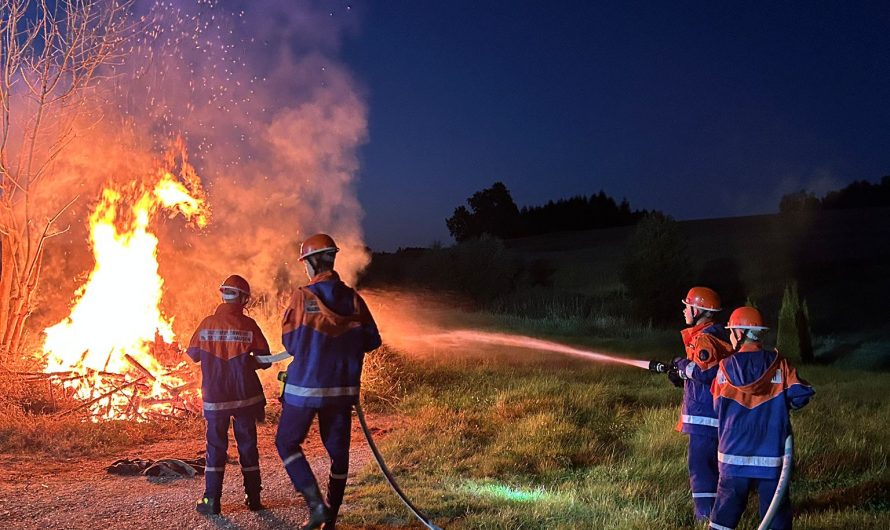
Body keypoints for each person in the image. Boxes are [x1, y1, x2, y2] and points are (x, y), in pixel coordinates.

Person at [276, 233, 382, 530]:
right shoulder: (353, 299)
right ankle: (331, 520)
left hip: (303, 391)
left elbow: (291, 343)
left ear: (311, 262)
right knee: (339, 456)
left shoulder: (302, 297)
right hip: (341, 392)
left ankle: (315, 505)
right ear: (331, 259)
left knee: (286, 442)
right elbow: (372, 341)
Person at [709, 306, 814, 530]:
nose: (729, 335)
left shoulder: (724, 368)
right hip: (771, 460)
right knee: (776, 519)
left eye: (731, 331)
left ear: (740, 333)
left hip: (732, 458)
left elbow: (717, 406)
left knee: (723, 519)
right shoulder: (780, 365)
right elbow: (801, 395)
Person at [186, 274, 272, 515]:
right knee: (248, 446)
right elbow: (265, 360)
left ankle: (211, 500)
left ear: (223, 295)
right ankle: (253, 499)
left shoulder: (206, 324)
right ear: (243, 299)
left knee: (215, 448)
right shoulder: (249, 325)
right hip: (245, 398)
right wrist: (248, 361)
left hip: (215, 398)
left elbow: (193, 355)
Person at [669, 287, 734, 522]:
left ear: (699, 310)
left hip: (705, 417)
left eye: (688, 306)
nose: (684, 309)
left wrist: (681, 364)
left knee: (701, 469)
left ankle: (705, 518)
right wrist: (683, 374)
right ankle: (722, 516)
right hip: (719, 414)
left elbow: (704, 371)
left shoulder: (704, 338)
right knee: (717, 469)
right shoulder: (718, 335)